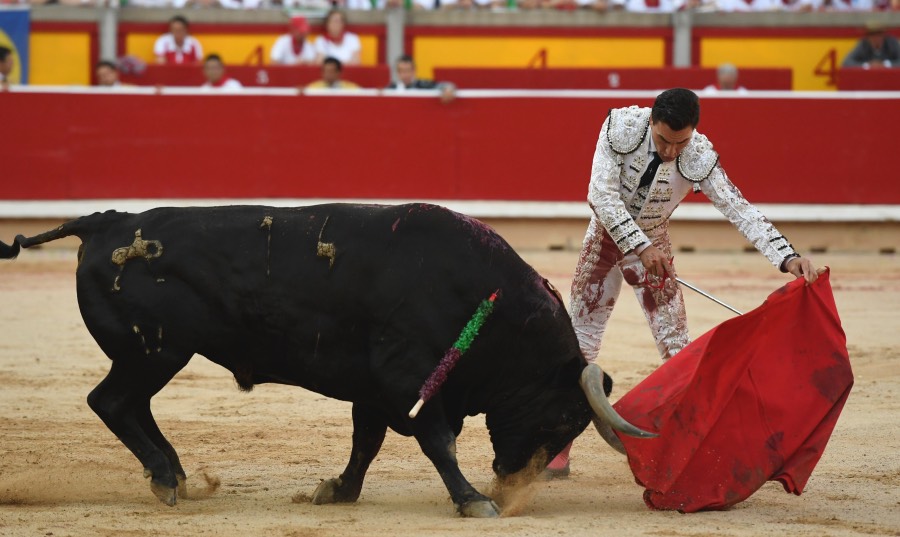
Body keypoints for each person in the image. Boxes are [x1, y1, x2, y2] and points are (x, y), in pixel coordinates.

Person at [544, 88, 818, 478]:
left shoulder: (699, 154)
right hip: (605, 243)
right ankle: (558, 447)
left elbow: (738, 208)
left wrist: (786, 256)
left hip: (656, 246)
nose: (672, 152)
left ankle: (688, 448)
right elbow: (600, 197)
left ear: (693, 132)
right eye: (664, 141)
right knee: (581, 345)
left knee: (677, 348)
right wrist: (640, 245)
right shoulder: (620, 128)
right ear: (651, 121)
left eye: (681, 142)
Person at [386, 54, 456, 103]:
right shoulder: (392, 88)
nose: (405, 75)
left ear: (414, 71)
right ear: (397, 72)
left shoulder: (422, 84)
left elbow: (445, 85)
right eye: (401, 71)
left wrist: (448, 88)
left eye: (408, 70)